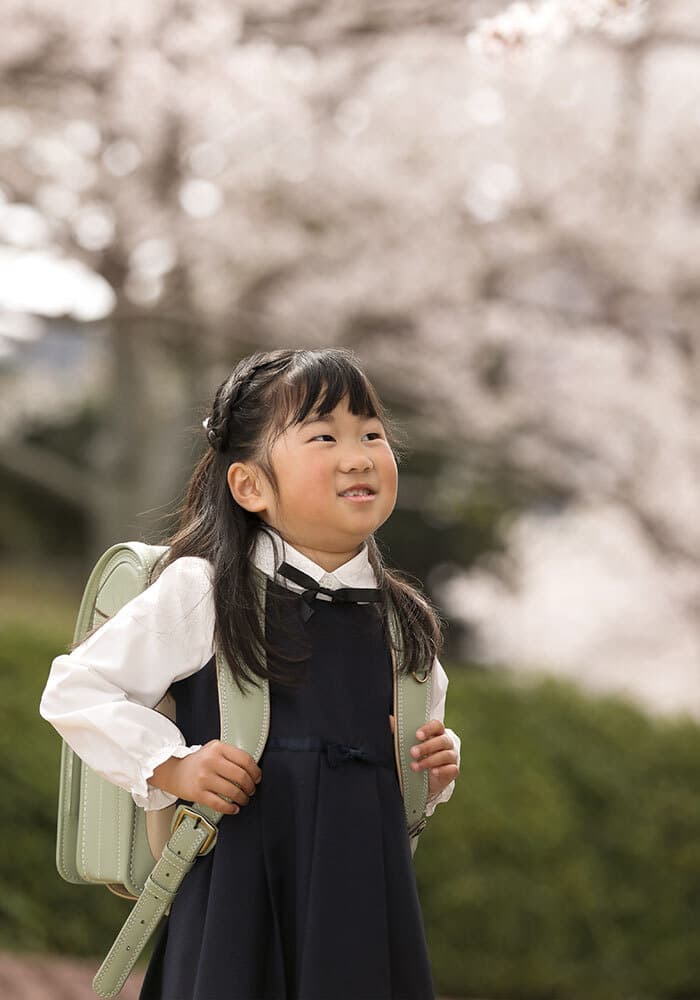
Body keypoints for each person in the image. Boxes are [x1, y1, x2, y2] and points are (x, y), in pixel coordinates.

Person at [39, 346, 461, 1000]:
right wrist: (171, 765)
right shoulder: (208, 591)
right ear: (250, 486)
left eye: (372, 435)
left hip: (364, 904)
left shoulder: (405, 622)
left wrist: (433, 764)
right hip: (238, 895)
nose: (358, 455)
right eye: (324, 436)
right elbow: (77, 688)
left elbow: (416, 745)